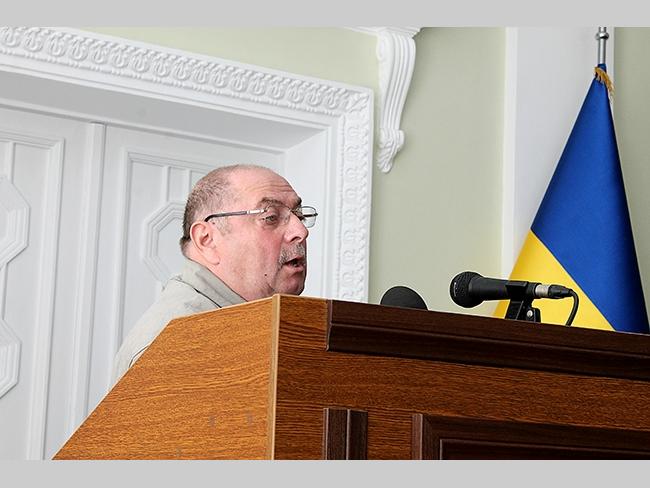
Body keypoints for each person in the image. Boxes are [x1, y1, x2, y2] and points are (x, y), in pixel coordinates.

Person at [111, 164, 317, 384]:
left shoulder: (268, 325)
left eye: (299, 215)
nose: (301, 231)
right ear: (207, 240)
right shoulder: (174, 348)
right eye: (271, 217)